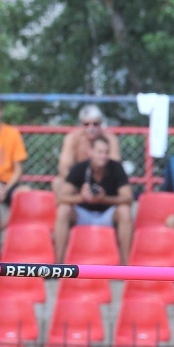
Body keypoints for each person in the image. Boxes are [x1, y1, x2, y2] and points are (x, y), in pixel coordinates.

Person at [53, 134, 134, 263]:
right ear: (91, 152)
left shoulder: (116, 167)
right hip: (83, 213)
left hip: (107, 215)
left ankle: (126, 267)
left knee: (124, 211)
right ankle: (58, 265)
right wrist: (81, 197)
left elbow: (128, 198)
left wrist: (104, 198)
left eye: (106, 152)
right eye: (100, 152)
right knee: (63, 210)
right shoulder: (80, 168)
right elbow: (61, 198)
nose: (103, 156)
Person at [56, 105, 122, 196]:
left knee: (124, 187)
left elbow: (116, 166)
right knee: (58, 182)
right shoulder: (73, 138)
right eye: (86, 124)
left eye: (95, 124)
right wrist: (76, 182)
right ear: (81, 124)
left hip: (104, 180)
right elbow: (63, 167)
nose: (91, 128)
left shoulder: (110, 139)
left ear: (101, 123)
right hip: (78, 179)